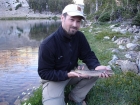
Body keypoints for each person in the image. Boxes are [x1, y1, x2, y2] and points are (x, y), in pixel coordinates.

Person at [38, 4, 110, 105]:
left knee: (95, 71)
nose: (75, 25)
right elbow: (44, 72)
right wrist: (66, 75)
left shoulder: (79, 37)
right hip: (53, 79)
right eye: (71, 20)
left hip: (74, 72)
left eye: (78, 21)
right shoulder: (47, 44)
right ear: (62, 18)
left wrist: (96, 66)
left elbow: (88, 55)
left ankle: (76, 97)